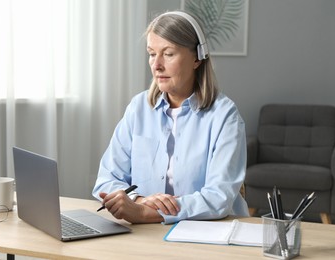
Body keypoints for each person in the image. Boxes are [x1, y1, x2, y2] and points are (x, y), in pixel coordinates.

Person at [92, 10, 249, 224]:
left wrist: (146, 214)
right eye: (151, 53)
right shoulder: (138, 109)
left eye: (168, 54)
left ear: (197, 58)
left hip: (208, 233)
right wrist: (139, 200)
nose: (156, 65)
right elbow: (106, 180)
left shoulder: (225, 116)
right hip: (146, 234)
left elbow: (218, 198)